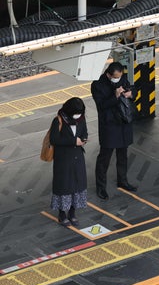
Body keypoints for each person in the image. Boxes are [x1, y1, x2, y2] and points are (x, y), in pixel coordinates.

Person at [91, 62, 137, 200]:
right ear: (108, 74)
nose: (118, 79)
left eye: (120, 76)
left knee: (123, 155)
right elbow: (102, 105)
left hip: (123, 123)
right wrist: (115, 96)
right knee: (104, 158)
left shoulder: (122, 78)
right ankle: (101, 187)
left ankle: (122, 181)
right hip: (109, 125)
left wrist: (131, 94)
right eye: (115, 77)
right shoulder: (97, 85)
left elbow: (132, 88)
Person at [49, 97, 89, 227]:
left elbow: (84, 132)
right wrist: (73, 141)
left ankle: (72, 213)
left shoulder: (81, 119)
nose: (78, 115)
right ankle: (62, 214)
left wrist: (83, 139)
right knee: (64, 186)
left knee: (77, 185)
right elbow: (54, 139)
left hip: (77, 158)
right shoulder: (58, 120)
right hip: (64, 160)